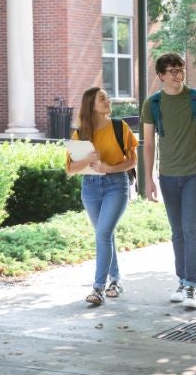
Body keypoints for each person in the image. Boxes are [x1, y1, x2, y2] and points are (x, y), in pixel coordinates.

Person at [141, 53, 196, 310]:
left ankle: (192, 286)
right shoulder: (152, 104)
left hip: (195, 174)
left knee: (191, 229)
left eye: (180, 70)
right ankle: (182, 281)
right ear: (161, 75)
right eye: (172, 71)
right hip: (168, 176)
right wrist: (148, 179)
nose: (177, 75)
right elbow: (149, 144)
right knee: (177, 232)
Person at [66, 87, 138, 306]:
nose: (107, 101)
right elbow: (70, 169)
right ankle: (115, 280)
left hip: (116, 185)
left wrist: (109, 168)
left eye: (107, 98)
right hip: (90, 188)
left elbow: (132, 161)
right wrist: (87, 159)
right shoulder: (81, 134)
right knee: (104, 235)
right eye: (102, 99)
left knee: (104, 234)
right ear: (91, 105)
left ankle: (98, 288)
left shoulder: (119, 127)